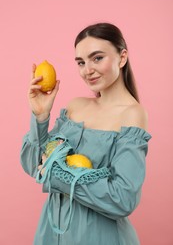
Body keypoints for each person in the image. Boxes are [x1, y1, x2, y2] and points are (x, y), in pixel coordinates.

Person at [20, 22, 151, 245]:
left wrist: (57, 176)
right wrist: (40, 117)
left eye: (97, 58)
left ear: (122, 57)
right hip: (51, 235)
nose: (87, 70)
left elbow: (122, 199)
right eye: (81, 62)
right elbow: (34, 165)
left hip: (99, 237)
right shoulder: (75, 106)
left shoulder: (133, 115)